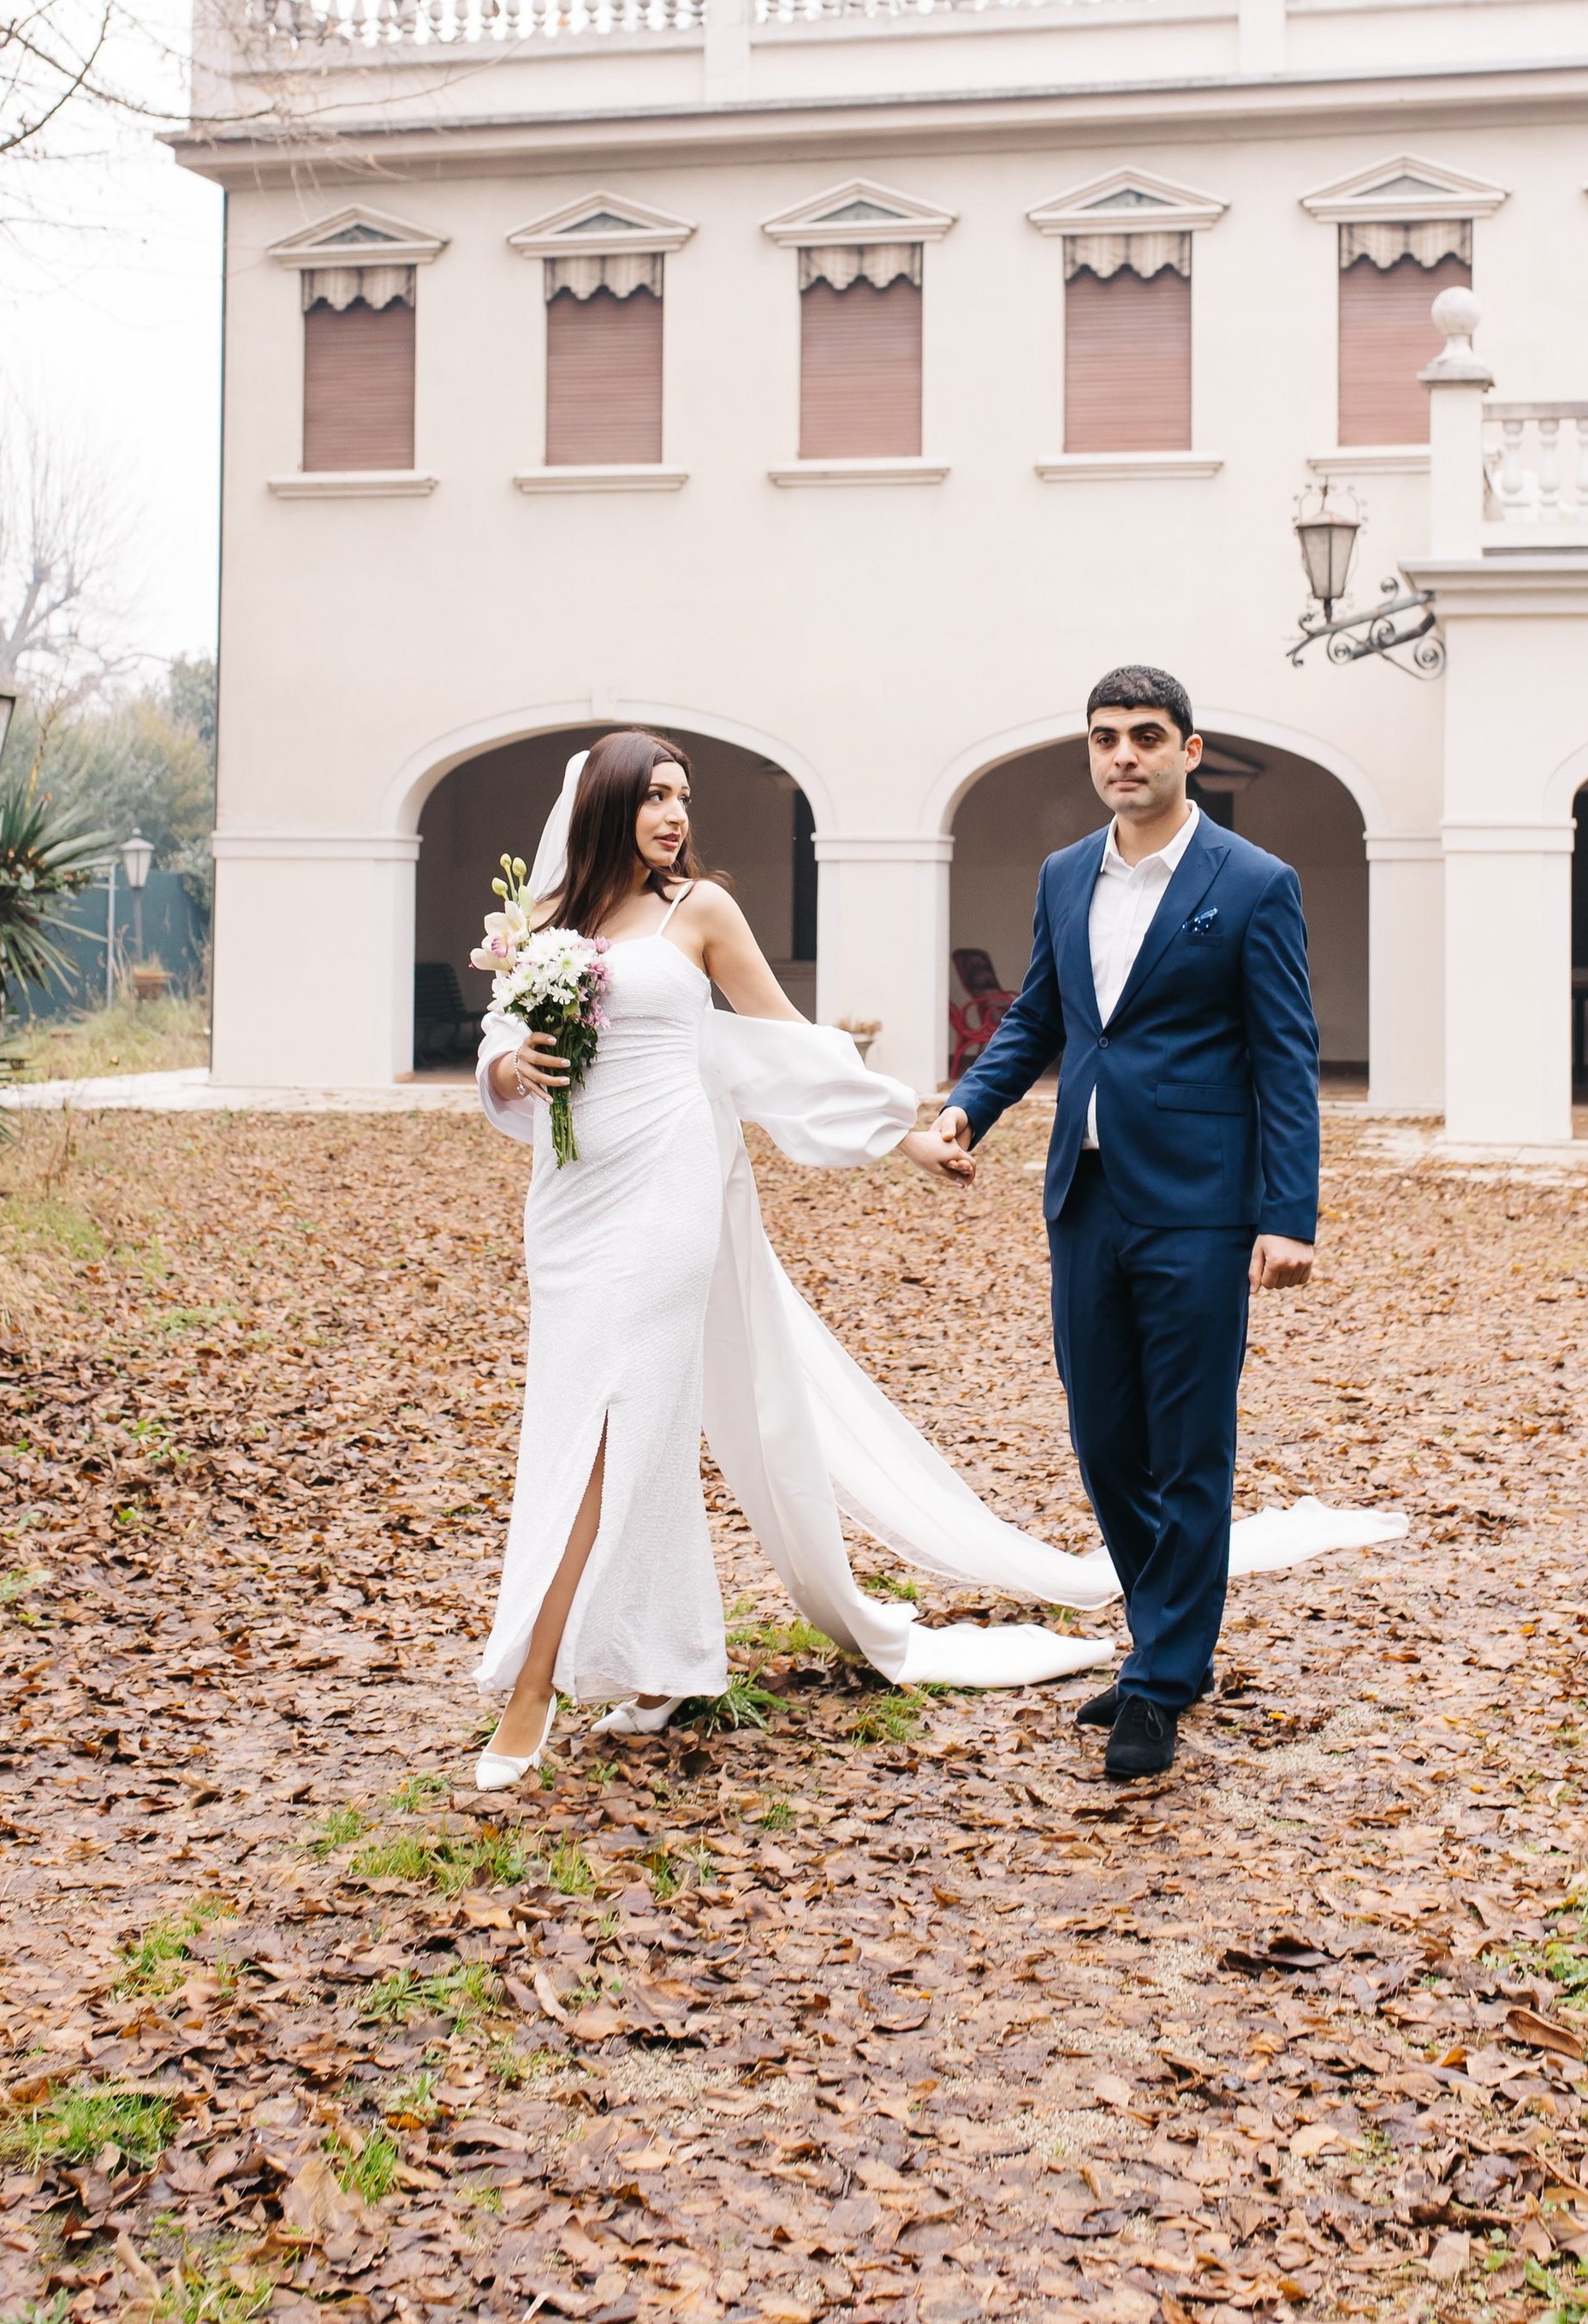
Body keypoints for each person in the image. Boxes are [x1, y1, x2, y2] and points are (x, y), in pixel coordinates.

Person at [472, 730, 1115, 1785]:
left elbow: (785, 1042)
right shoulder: (541, 926)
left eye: (683, 797)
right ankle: (662, 1662)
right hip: (573, 1200)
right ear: (605, 808)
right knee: (613, 1420)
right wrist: (511, 1069)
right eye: (653, 797)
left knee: (609, 1418)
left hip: (671, 1186)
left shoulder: (702, 912)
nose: (676, 816)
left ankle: (536, 1682)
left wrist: (902, 1131)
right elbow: (495, 1071)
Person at [937, 665, 1323, 1782]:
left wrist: (1285, 1213)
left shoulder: (1253, 884)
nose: (1123, 757)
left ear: (1190, 750)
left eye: (1146, 737)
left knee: (1188, 1444)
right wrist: (971, 1108)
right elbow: (1040, 1019)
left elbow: (1284, 1060)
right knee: (1105, 1436)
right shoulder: (1066, 875)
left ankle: (1162, 1677)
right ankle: (1165, 1626)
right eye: (1105, 738)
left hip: (1203, 1204)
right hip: (1087, 1198)